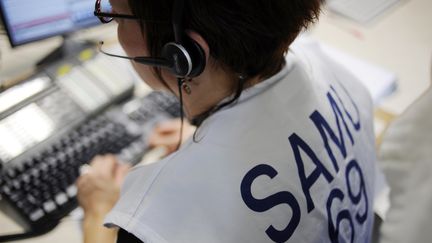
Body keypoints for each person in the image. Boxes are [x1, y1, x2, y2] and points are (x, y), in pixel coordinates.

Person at [77, 0, 383, 242]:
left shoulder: (161, 222)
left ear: (183, 51)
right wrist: (217, 147)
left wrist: (99, 210)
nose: (116, 30)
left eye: (116, 17)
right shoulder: (333, 71)